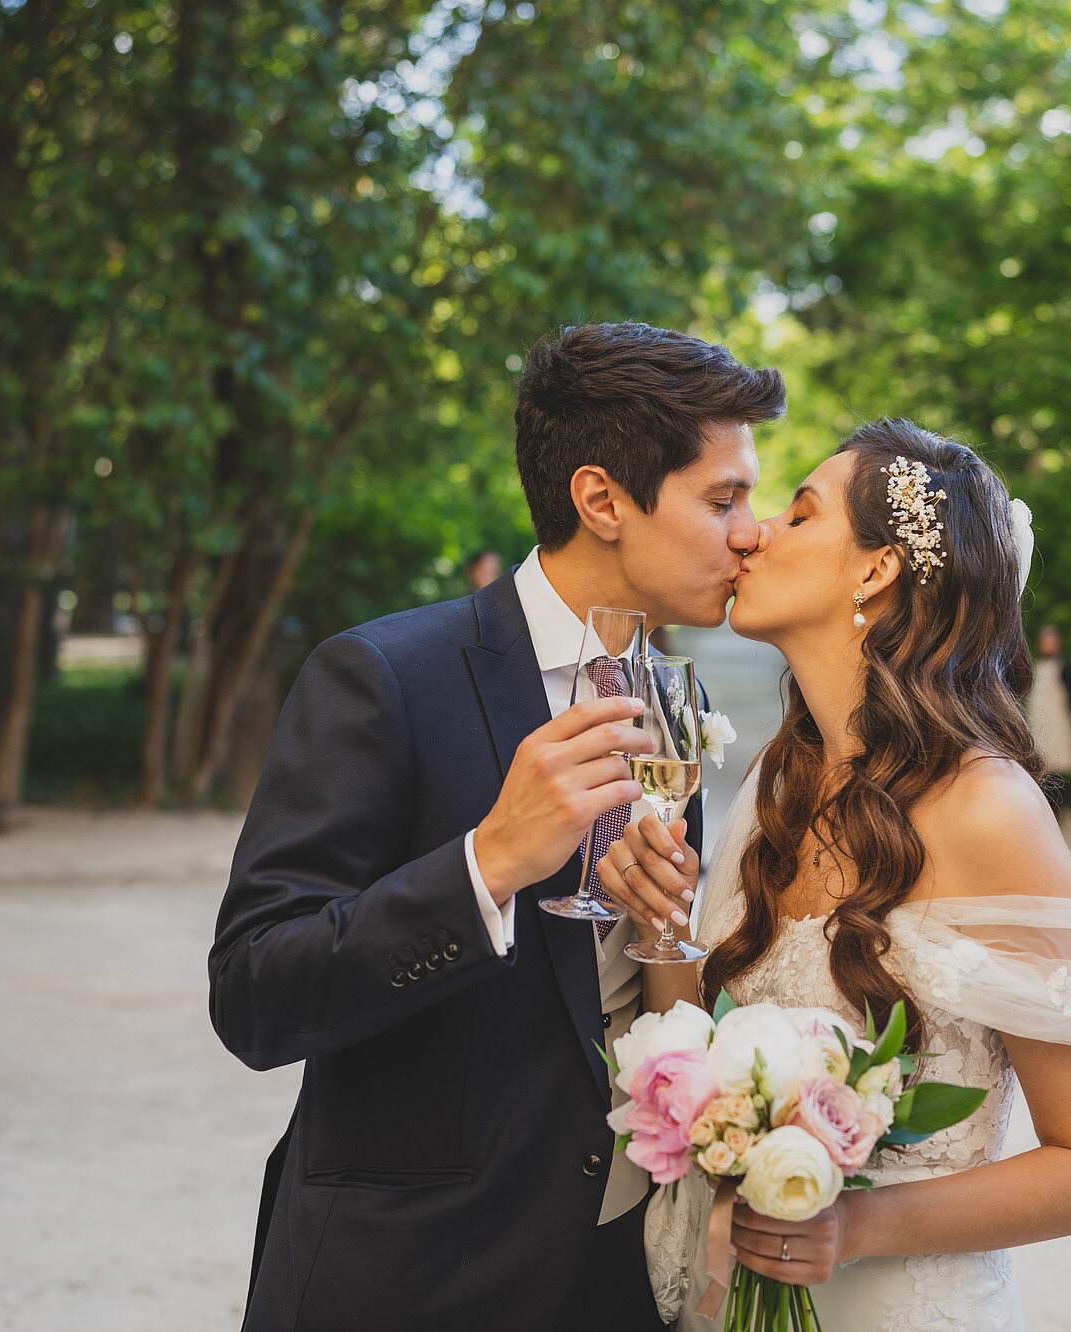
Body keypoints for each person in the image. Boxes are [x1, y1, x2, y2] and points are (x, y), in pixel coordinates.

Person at [208, 322, 785, 1331]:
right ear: (601, 498)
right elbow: (255, 995)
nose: (752, 532)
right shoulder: (384, 677)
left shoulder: (674, 697)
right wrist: (487, 865)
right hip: (412, 1278)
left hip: (616, 1277)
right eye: (722, 499)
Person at [600, 420, 1071, 1331]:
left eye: (799, 514)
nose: (754, 532)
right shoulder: (780, 777)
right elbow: (692, 1057)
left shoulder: (989, 810)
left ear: (875, 570)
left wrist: (855, 1222)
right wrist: (660, 920)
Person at [1025, 623, 1071, 782]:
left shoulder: (1064, 667)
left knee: (1057, 767)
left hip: (1058, 723)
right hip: (1038, 723)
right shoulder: (1037, 666)